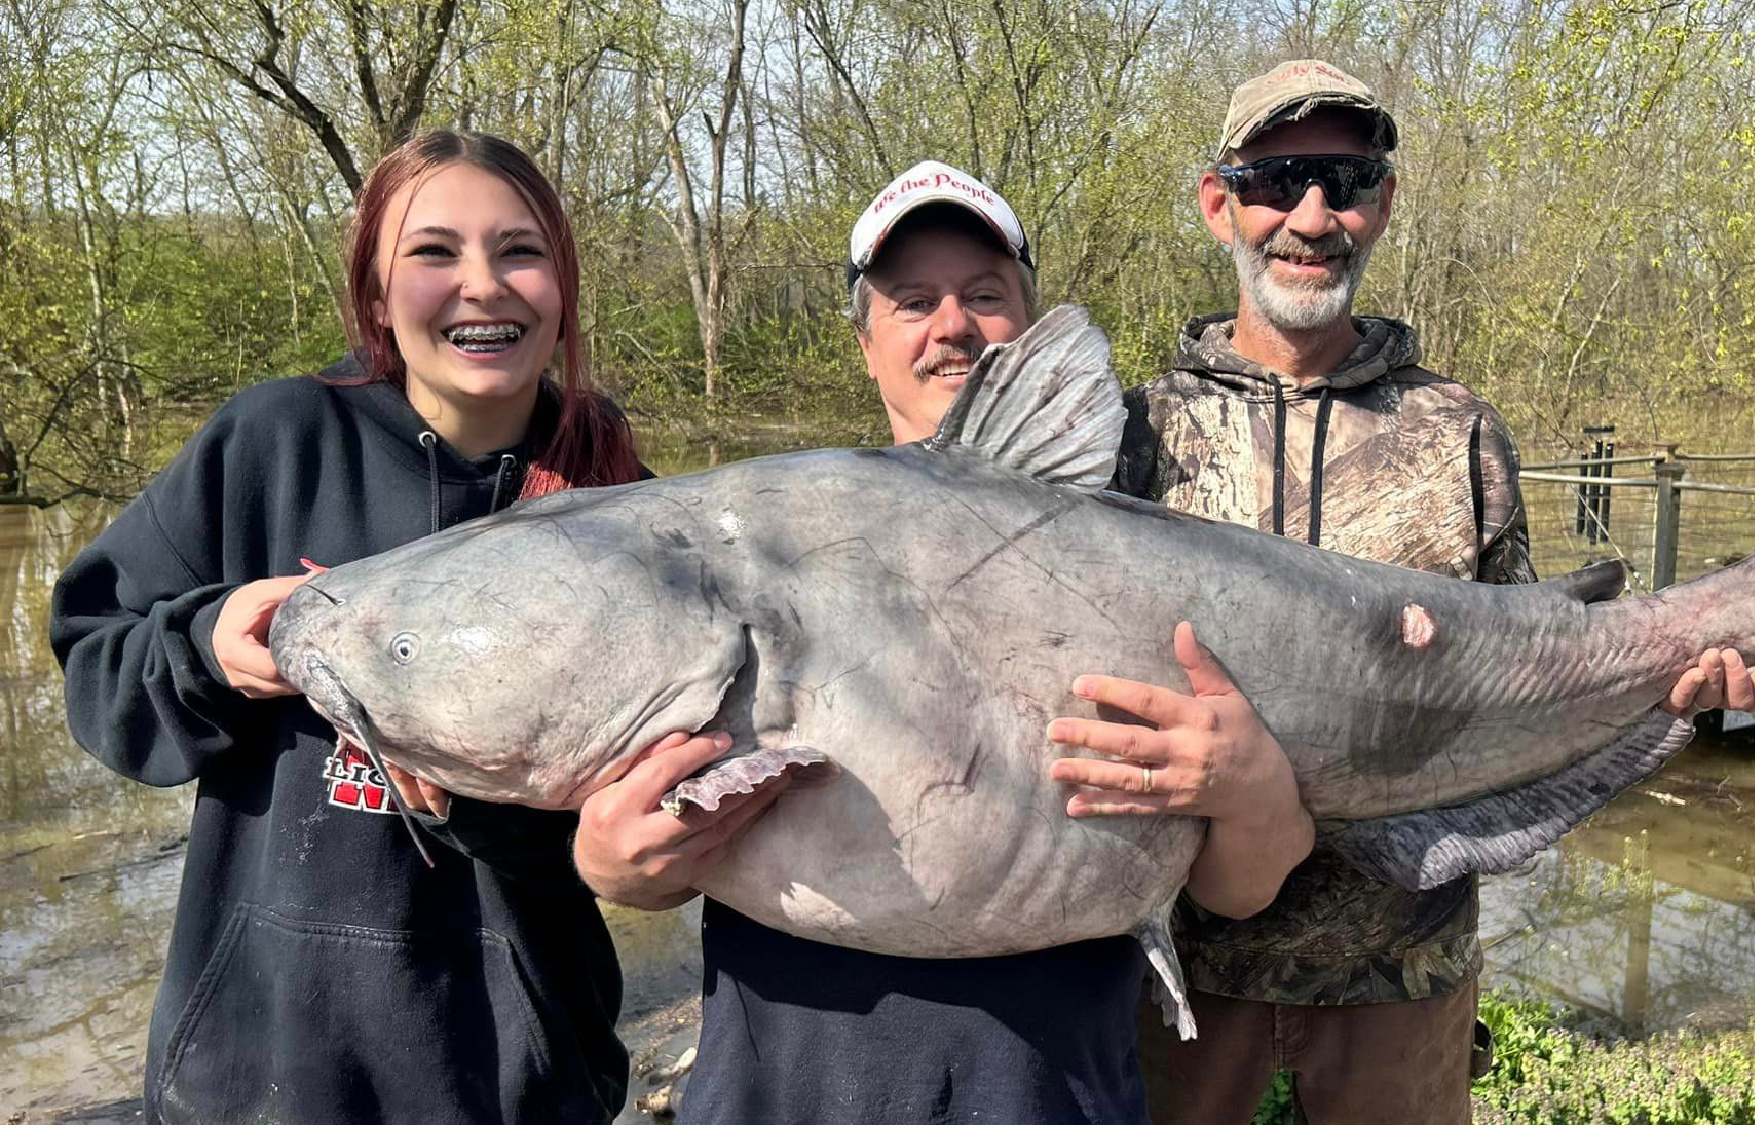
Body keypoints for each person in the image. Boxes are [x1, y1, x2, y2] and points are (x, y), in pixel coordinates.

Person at [574, 160, 1312, 1124]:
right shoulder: (734, 559)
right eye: (913, 300)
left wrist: (1255, 788)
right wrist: (611, 865)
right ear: (866, 342)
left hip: (1054, 1096)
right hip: (781, 1094)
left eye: (984, 294)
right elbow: (641, 843)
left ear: (1033, 321)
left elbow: (1235, 890)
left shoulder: (1155, 568)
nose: (951, 325)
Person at [1103, 60, 1755, 1124]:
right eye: (1278, 178)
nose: (1313, 217)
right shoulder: (1132, 440)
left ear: (1383, 203)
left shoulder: (1458, 432)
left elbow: (1533, 685)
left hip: (1405, 983)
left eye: (1347, 179)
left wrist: (1667, 692)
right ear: (1217, 200)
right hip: (1179, 984)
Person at [50, 131, 653, 1125]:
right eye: (432, 252)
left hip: (521, 1077)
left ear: (564, 285)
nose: (482, 285)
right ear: (373, 293)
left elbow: (663, 802)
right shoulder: (273, 443)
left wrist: (554, 796)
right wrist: (209, 650)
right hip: (261, 1076)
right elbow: (96, 662)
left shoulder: (618, 502)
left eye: (519, 250)